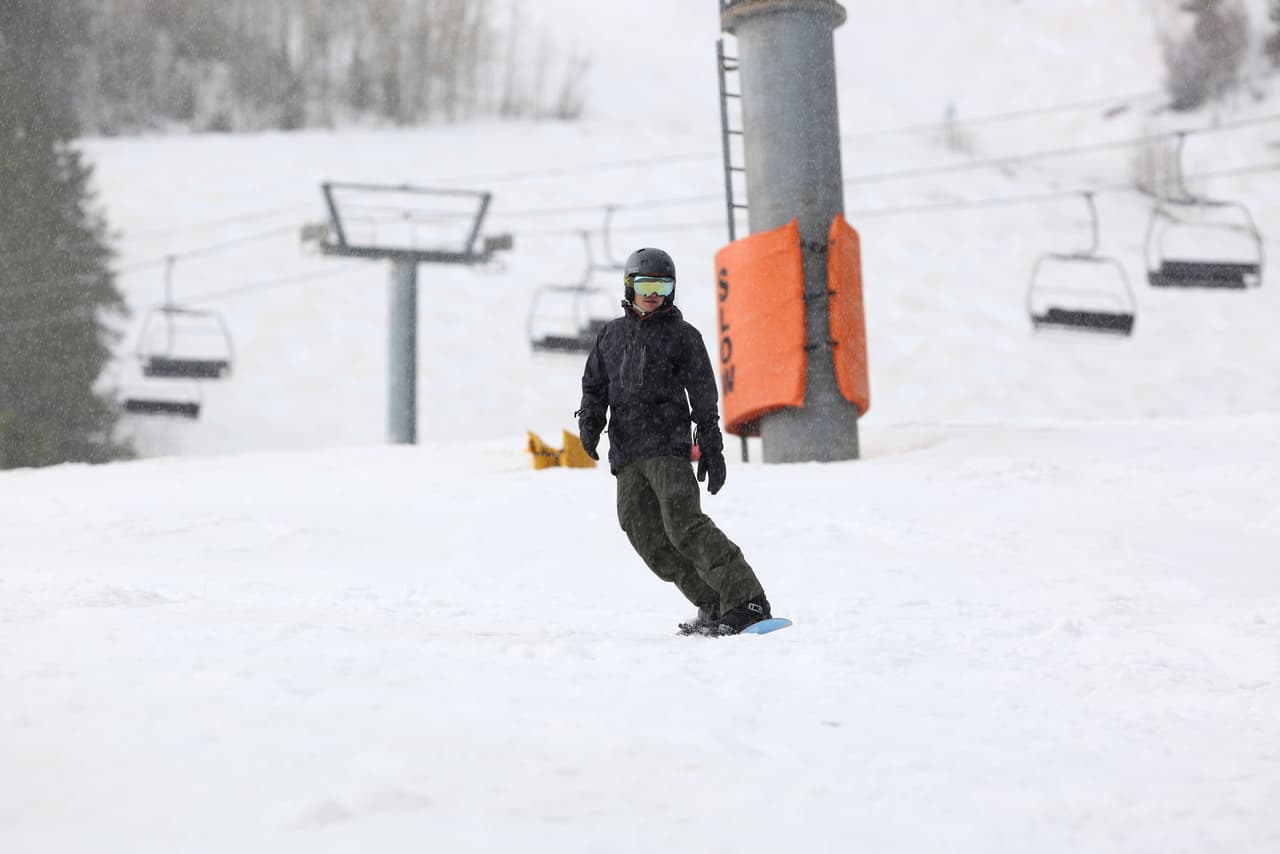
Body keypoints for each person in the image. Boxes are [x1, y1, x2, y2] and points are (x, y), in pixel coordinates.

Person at [575, 247, 773, 636]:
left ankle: (746, 599)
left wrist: (711, 443)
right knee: (643, 532)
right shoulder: (611, 335)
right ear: (630, 287)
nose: (654, 294)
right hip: (628, 452)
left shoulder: (683, 337)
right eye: (646, 284)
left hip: (667, 447)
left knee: (683, 524)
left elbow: (703, 394)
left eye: (663, 285)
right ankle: (713, 602)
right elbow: (594, 386)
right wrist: (591, 422)